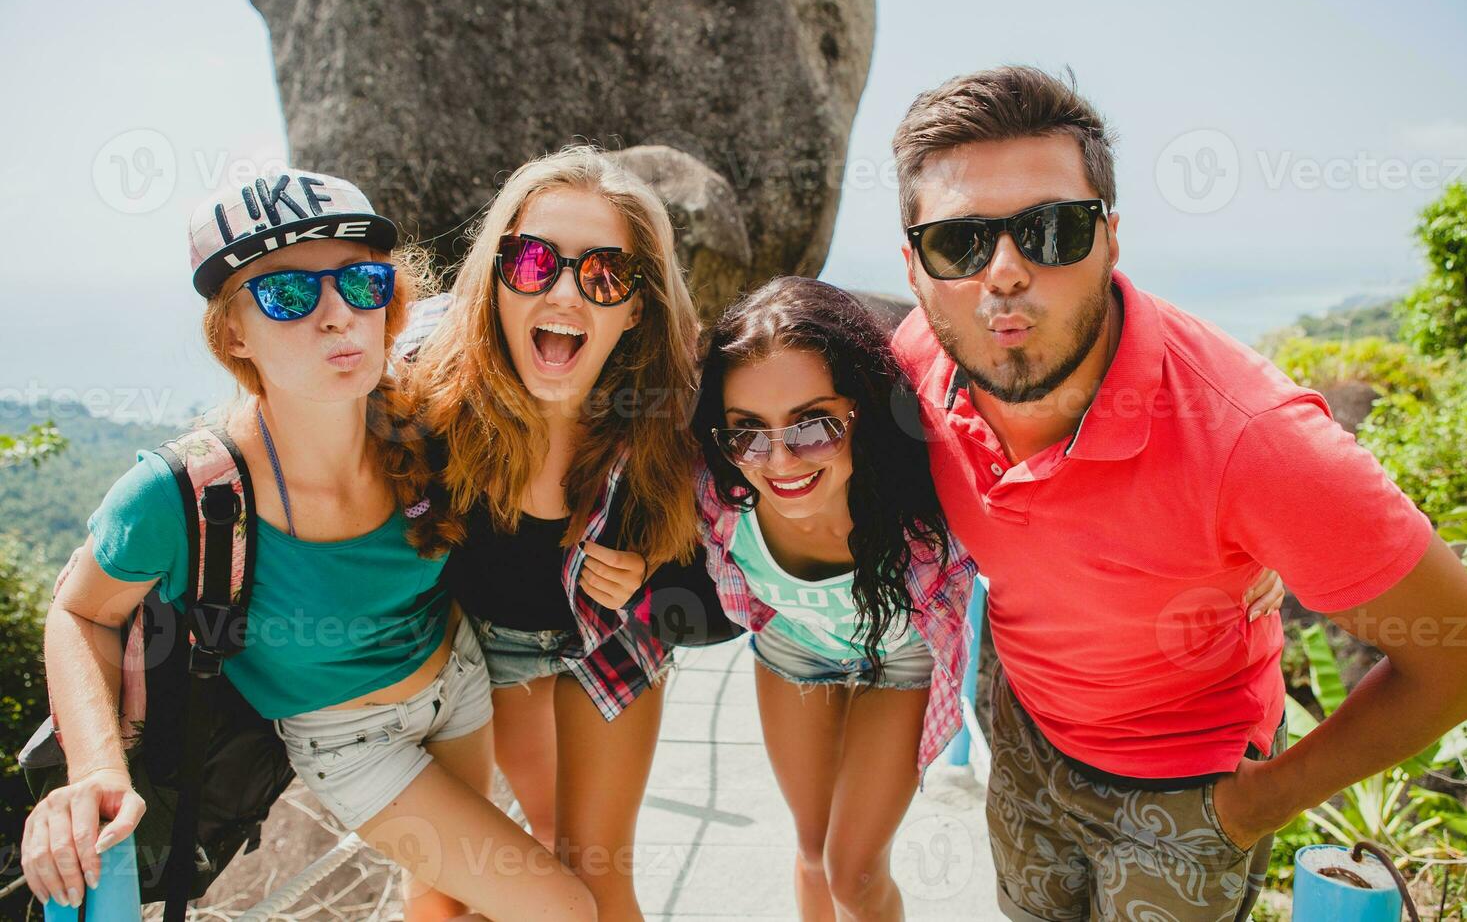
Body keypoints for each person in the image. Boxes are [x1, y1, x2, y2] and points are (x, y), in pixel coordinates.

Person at [888, 64, 1467, 921]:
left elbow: (1453, 650)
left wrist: (1255, 805)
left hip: (1189, 787)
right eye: (958, 243)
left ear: (1112, 239)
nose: (1004, 272)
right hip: (1025, 729)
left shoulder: (1256, 440)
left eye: (1052, 229)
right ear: (913, 268)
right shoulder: (917, 365)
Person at [20, 170, 595, 922]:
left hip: (458, 681)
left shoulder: (425, 419)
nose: (336, 316)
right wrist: (97, 767)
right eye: (288, 295)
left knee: (450, 901)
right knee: (562, 908)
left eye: (361, 284)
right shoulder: (184, 492)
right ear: (232, 332)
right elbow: (79, 614)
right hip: (349, 739)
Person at [691, 276, 1288, 921]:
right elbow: (610, 468)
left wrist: (1268, 544)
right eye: (747, 431)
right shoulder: (718, 494)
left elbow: (1070, 496)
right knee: (811, 853)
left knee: (853, 873)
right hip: (793, 652)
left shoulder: (925, 493)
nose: (780, 459)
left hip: (900, 660)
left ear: (861, 408)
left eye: (813, 427)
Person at [399, 144, 705, 921]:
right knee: (455, 893)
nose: (566, 289)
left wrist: (653, 580)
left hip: (607, 638)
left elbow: (733, 580)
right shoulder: (425, 391)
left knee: (597, 877)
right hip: (476, 644)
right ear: (494, 281)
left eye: (604, 273)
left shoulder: (672, 414)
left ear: (636, 306)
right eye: (533, 261)